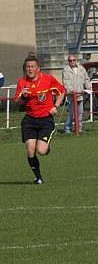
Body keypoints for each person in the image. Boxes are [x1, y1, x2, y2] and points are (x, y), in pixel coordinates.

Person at [12, 53, 65, 184]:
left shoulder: (48, 79)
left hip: (45, 120)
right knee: (30, 148)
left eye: (32, 66)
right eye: (27, 67)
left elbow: (61, 91)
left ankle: (46, 148)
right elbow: (16, 102)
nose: (29, 69)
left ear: (38, 68)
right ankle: (38, 177)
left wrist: (56, 106)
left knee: (41, 150)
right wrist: (23, 97)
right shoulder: (22, 82)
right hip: (29, 120)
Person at [62, 54, 91, 133]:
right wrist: (70, 91)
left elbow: (86, 79)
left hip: (80, 94)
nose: (72, 62)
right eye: (70, 60)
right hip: (71, 96)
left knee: (80, 113)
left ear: (76, 60)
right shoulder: (66, 69)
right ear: (68, 61)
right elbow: (66, 82)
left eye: (73, 60)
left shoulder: (81, 68)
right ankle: (68, 128)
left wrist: (88, 87)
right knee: (70, 113)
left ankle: (79, 128)